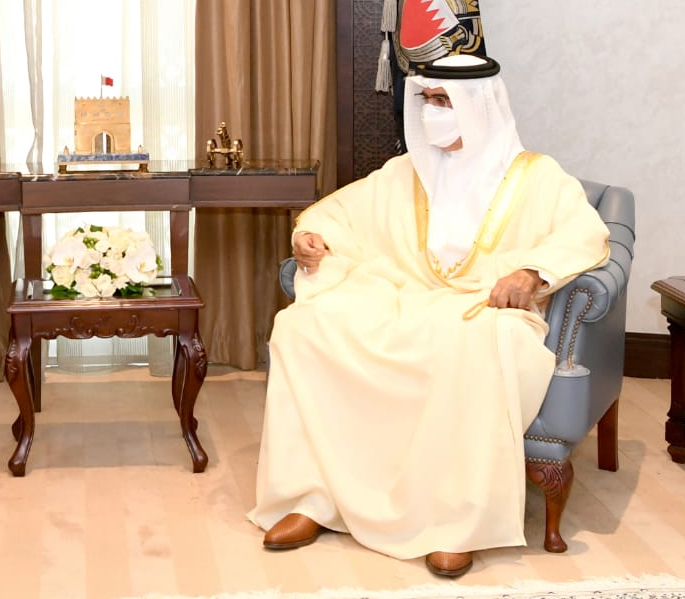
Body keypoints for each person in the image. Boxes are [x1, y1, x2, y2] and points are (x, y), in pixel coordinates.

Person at [250, 54, 609, 579]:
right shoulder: (407, 171)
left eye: (444, 101)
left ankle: (454, 522)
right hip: (405, 293)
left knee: (472, 346)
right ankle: (314, 497)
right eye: (428, 100)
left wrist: (532, 273)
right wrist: (311, 236)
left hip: (488, 305)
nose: (431, 112)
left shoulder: (538, 177)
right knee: (303, 326)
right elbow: (340, 212)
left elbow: (585, 233)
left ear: (479, 106)